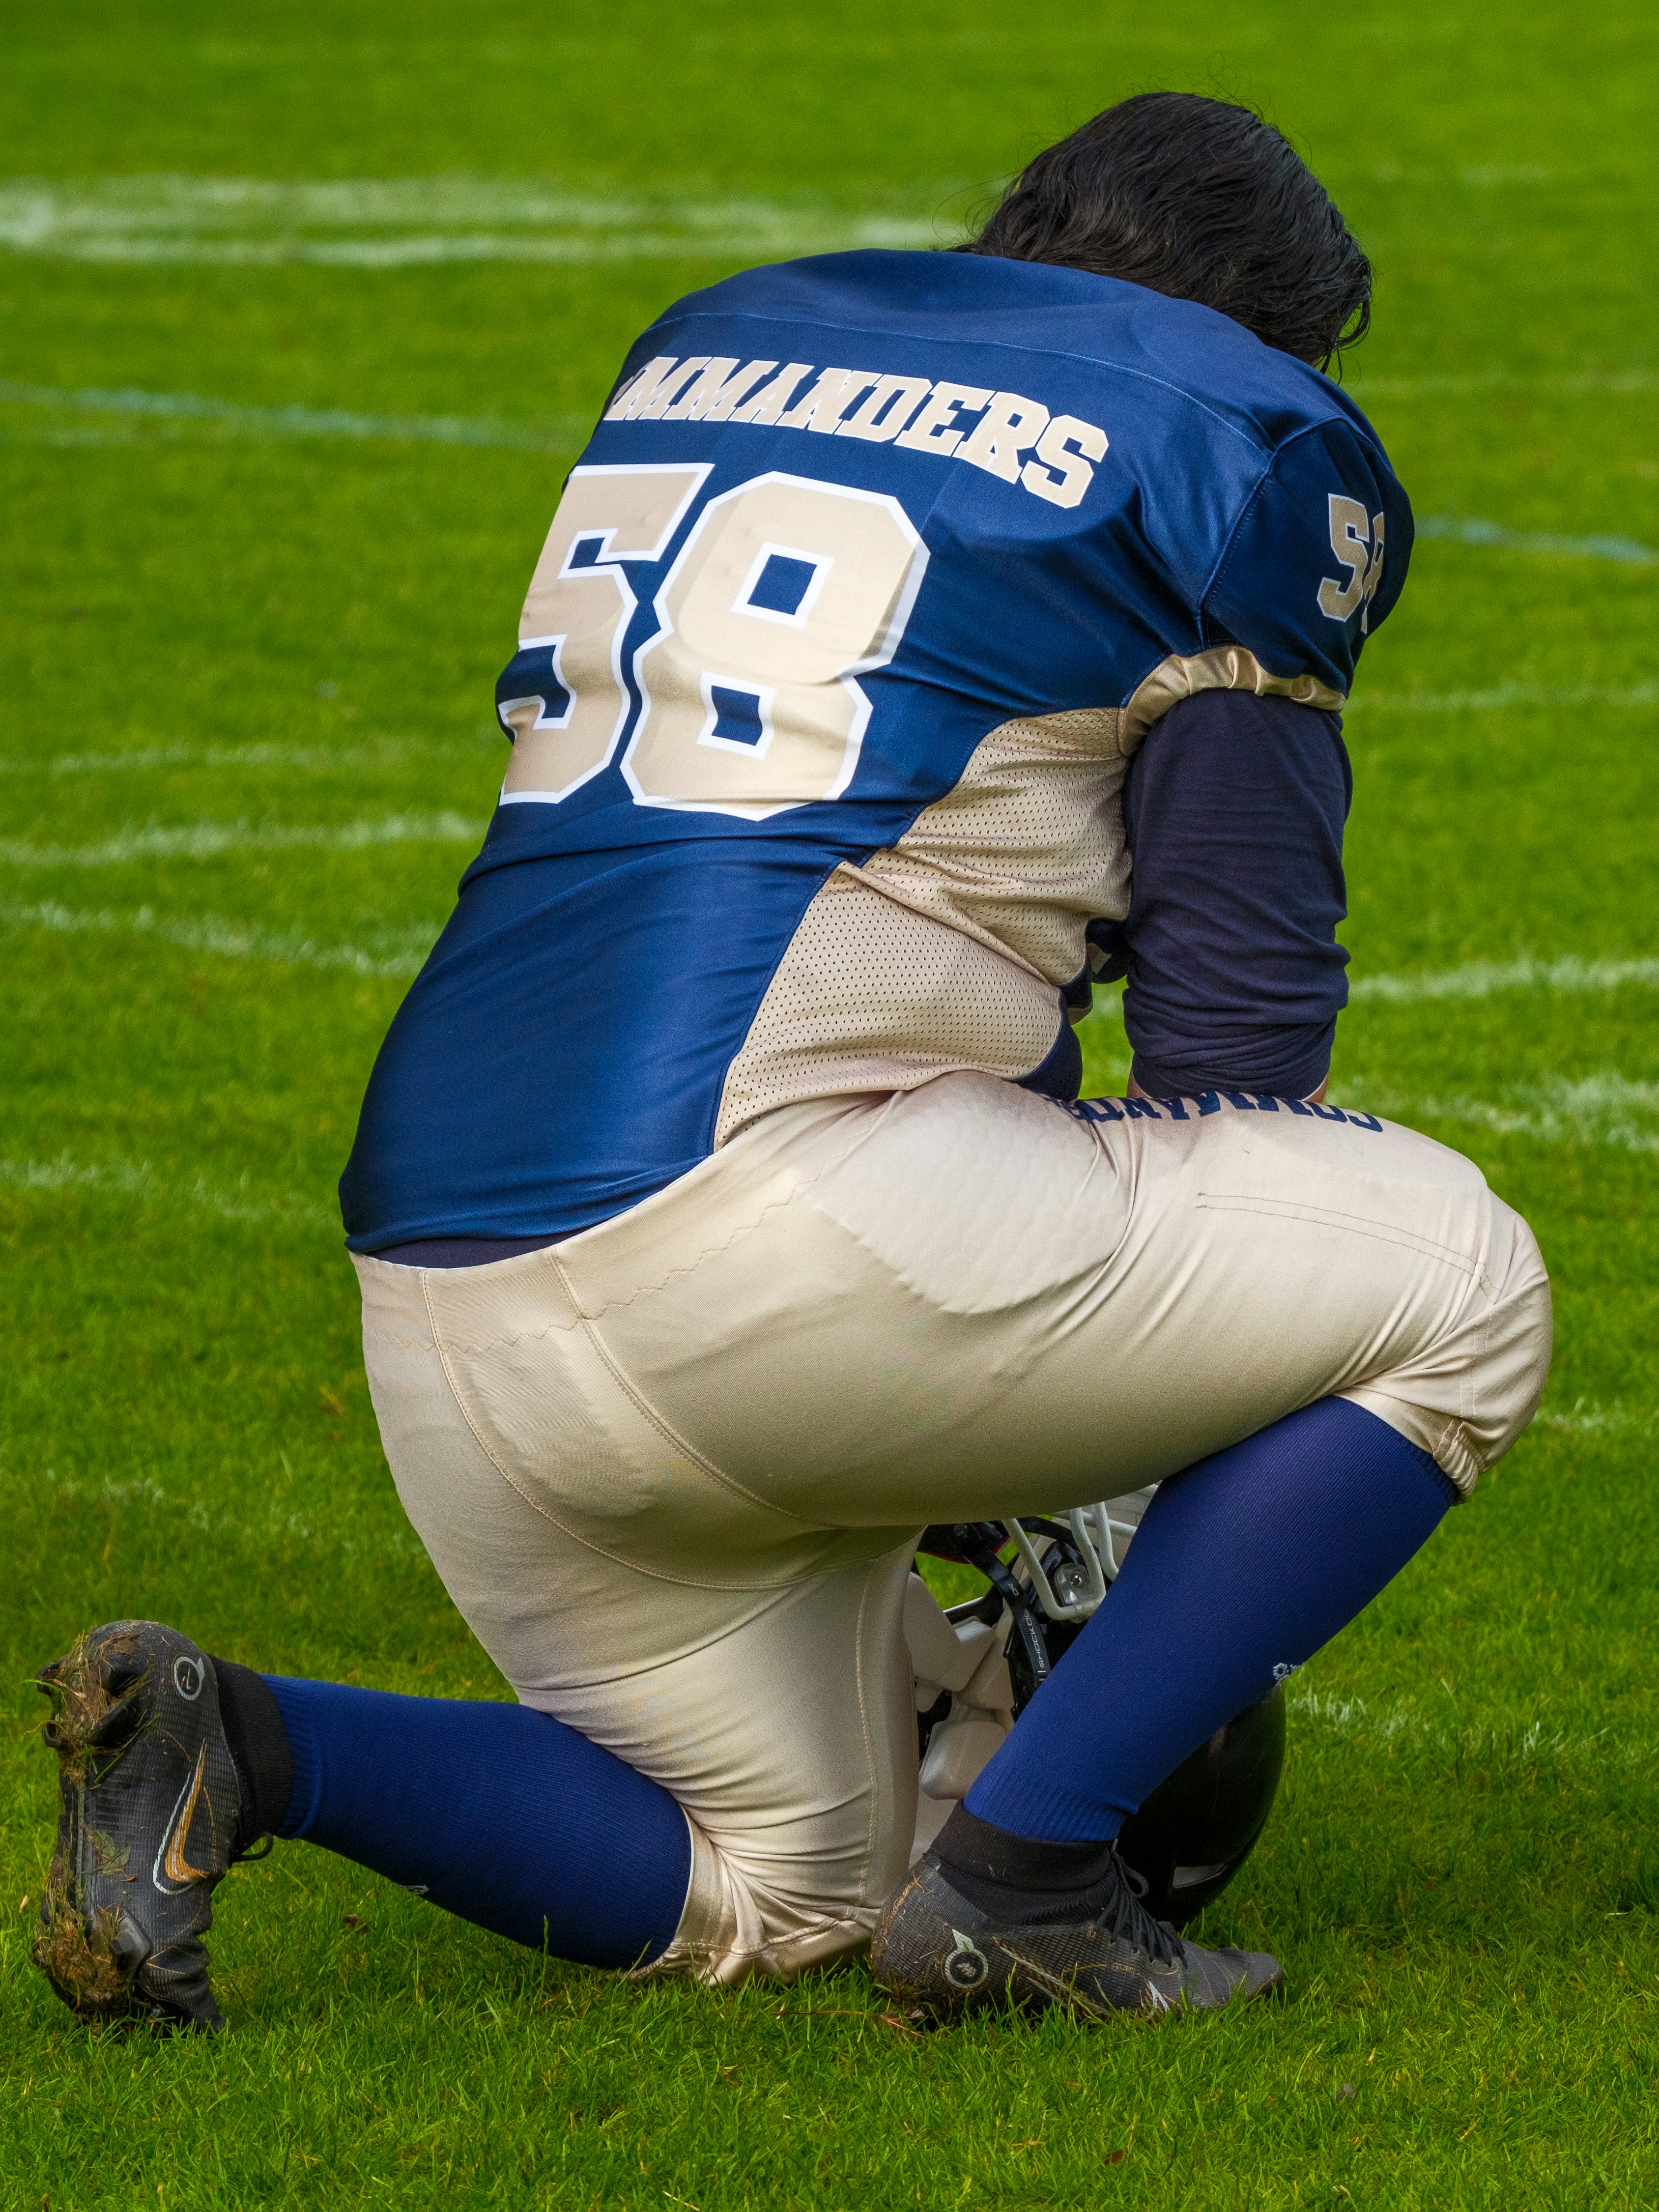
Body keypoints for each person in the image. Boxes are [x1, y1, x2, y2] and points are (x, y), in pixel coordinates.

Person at [33, 91, 1551, 2032]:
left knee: (794, 1877)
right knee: (1457, 1282)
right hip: (771, 1244)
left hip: (442, 1290)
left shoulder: (726, 341)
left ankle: (241, 1743)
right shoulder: (1231, 432)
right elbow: (1239, 1041)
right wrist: (1099, 1455)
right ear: (1268, 337)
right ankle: (1032, 1882)